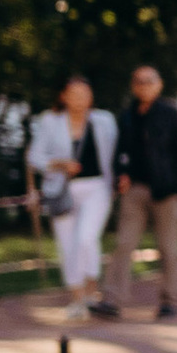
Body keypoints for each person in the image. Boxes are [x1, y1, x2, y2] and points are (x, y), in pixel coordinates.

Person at [107, 65, 177, 318]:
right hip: (135, 189)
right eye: (139, 81)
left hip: (164, 190)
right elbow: (120, 151)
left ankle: (169, 300)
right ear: (133, 86)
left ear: (159, 84)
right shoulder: (128, 115)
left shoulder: (169, 113)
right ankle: (111, 299)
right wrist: (121, 173)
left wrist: (176, 186)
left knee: (168, 248)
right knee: (124, 244)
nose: (143, 86)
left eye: (149, 81)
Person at [34, 77, 118, 323]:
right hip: (63, 189)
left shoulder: (104, 121)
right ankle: (77, 298)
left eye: (84, 93)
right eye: (74, 93)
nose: (80, 98)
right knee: (68, 244)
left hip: (97, 187)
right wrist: (59, 164)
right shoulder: (50, 122)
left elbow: (117, 152)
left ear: (91, 96)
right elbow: (35, 156)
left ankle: (92, 290)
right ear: (64, 96)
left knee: (86, 238)